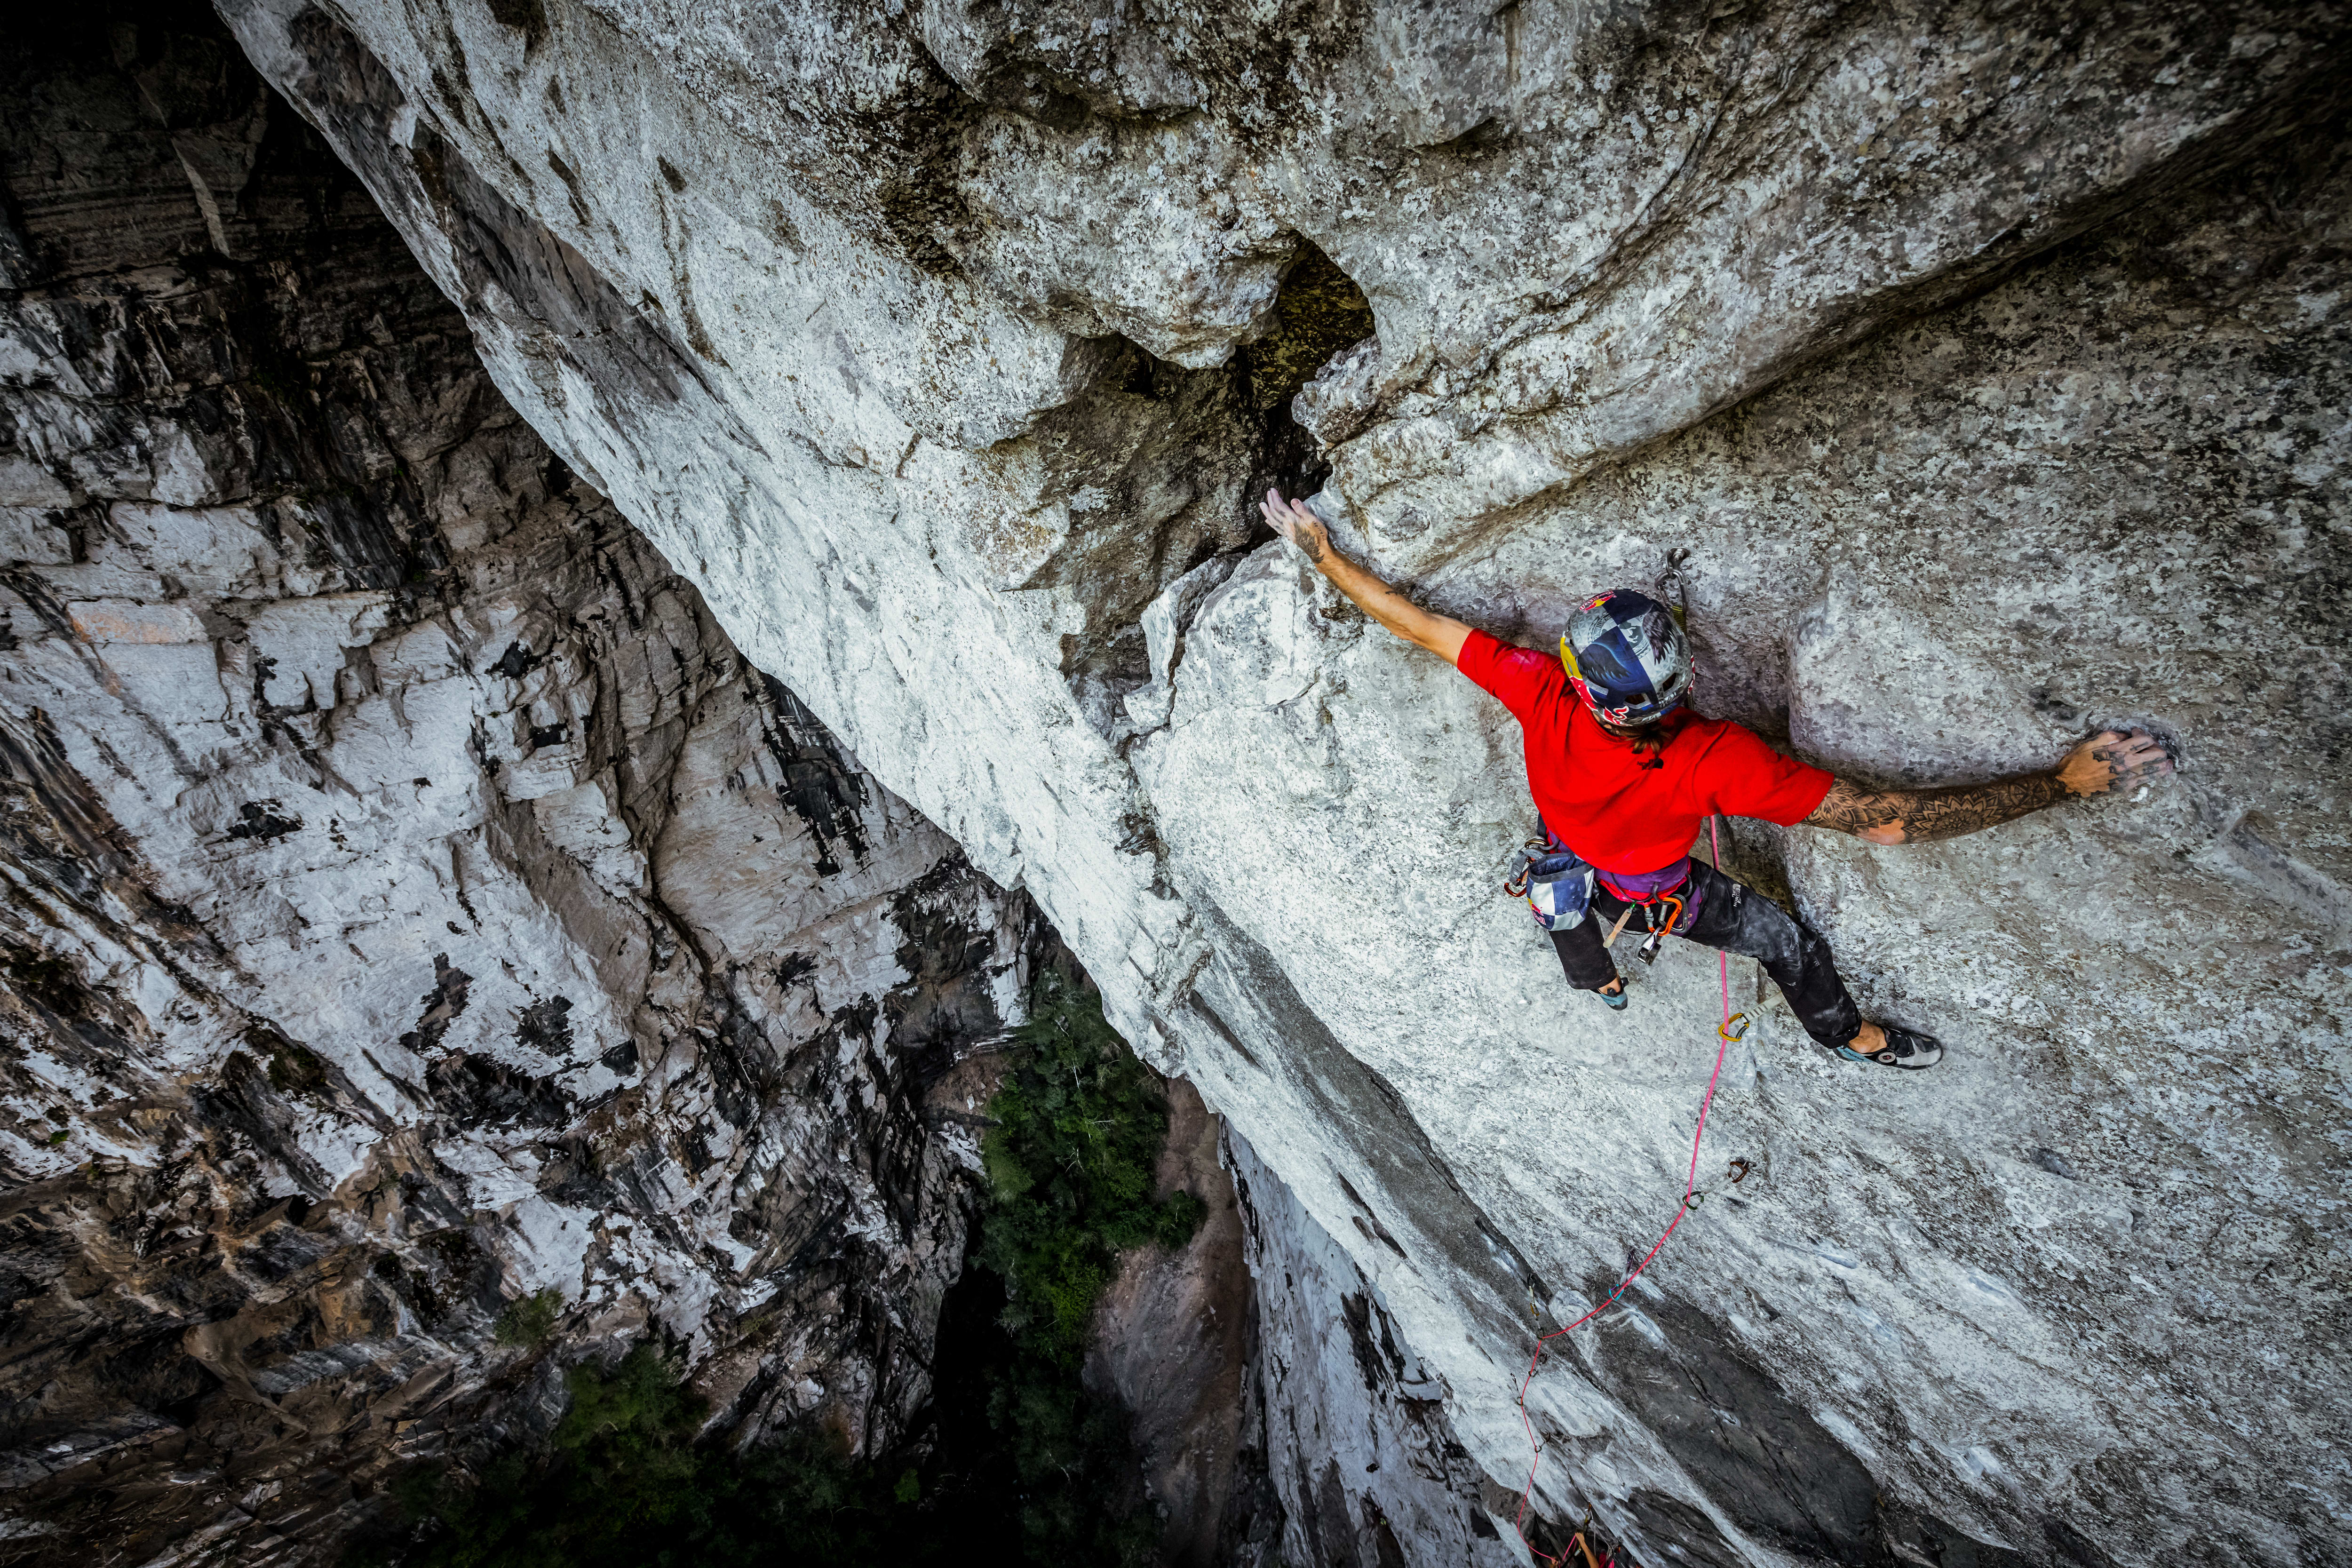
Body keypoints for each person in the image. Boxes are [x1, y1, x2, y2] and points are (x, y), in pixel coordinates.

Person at [1257, 489, 2173, 1070]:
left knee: (1571, 918)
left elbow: (1417, 625)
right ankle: (1850, 1038)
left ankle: (1603, 982)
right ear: (1682, 680)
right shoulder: (1718, 761)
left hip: (1574, 855)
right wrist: (2058, 783)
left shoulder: (1540, 693)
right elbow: (1891, 821)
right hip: (1657, 883)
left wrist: (1323, 554)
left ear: (1584, 681)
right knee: (1785, 942)